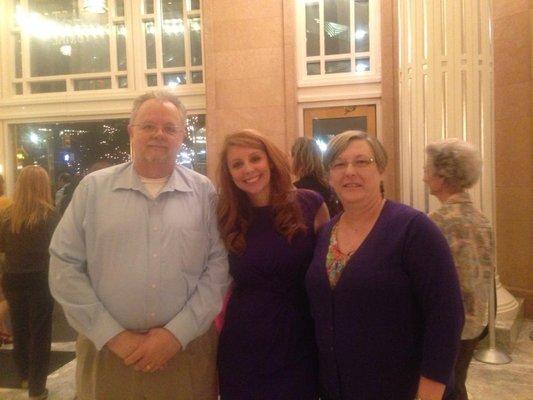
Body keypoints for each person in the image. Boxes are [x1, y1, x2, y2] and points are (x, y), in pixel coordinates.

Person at [49, 90, 231, 400]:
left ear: (182, 135)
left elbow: (218, 269)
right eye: (148, 126)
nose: (159, 134)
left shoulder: (204, 193)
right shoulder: (93, 190)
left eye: (169, 128)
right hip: (107, 353)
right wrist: (114, 336)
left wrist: (176, 335)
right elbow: (64, 264)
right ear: (131, 130)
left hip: (185, 354)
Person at [305, 130, 465, 400]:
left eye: (362, 162)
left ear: (381, 170)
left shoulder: (414, 229)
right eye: (339, 164)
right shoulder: (325, 233)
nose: (349, 171)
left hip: (400, 387)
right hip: (339, 388)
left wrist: (429, 393)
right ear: (329, 176)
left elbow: (446, 317)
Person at [216, 129, 329, 399]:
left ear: (270, 160)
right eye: (237, 164)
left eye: (255, 158)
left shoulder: (310, 203)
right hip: (245, 340)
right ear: (229, 173)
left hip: (300, 336)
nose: (248, 169)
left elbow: (330, 270)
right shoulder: (225, 215)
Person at [424, 139, 493, 400]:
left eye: (427, 170)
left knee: (444, 390)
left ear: (443, 176)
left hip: (447, 327)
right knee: (457, 384)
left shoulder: (437, 223)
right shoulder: (481, 219)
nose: (424, 177)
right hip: (475, 323)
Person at [0, 166, 58, 400]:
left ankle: (24, 376)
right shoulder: (51, 215)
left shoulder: (7, 217)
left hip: (13, 278)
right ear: (44, 185)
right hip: (42, 279)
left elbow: (2, 248)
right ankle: (37, 387)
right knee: (40, 332)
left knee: (20, 329)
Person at [291, 137, 339, 216]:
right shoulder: (328, 186)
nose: (288, 159)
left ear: (297, 159)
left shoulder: (297, 191)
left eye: (291, 155)